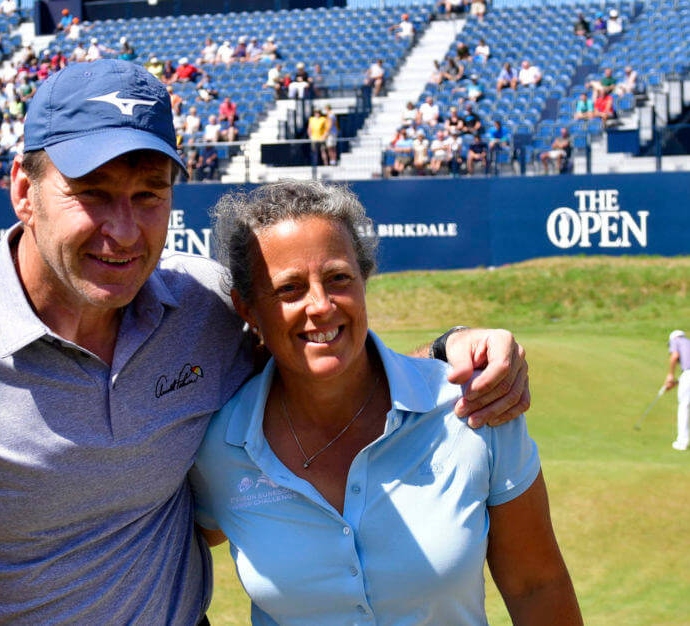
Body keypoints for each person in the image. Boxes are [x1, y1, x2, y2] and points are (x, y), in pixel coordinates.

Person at [0, 59, 531, 623]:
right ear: (22, 190)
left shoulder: (204, 306)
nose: (125, 231)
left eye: (148, 194)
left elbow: (326, 366)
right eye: (93, 193)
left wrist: (453, 349)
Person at [190, 180, 581, 626]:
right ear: (247, 309)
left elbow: (537, 586)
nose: (320, 305)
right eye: (289, 289)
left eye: (338, 278)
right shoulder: (218, 448)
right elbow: (191, 536)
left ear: (364, 278)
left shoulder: (474, 409)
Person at [664, 330, 690, 451]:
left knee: (684, 406)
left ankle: (682, 442)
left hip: (687, 375)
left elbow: (674, 356)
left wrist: (670, 375)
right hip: (686, 375)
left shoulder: (676, 340)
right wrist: (676, 383)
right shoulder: (688, 342)